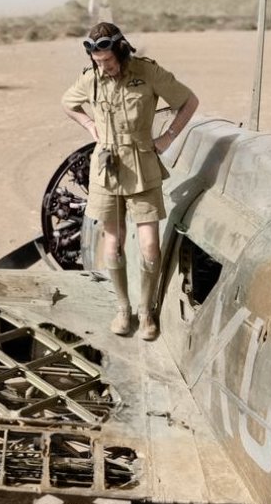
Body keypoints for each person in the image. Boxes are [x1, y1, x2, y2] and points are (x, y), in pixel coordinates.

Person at [61, 22, 199, 341]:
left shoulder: (148, 73)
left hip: (142, 165)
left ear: (121, 51)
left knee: (150, 245)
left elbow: (189, 102)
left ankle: (146, 310)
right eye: (99, 62)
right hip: (107, 166)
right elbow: (68, 103)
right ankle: (123, 309)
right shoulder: (90, 78)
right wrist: (89, 125)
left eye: (108, 61)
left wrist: (167, 137)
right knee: (114, 241)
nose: (105, 67)